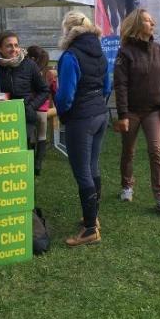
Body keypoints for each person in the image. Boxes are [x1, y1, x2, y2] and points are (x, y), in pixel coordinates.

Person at [55, 12, 110, 247]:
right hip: (100, 114)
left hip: (82, 118)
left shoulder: (70, 56)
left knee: (83, 172)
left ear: (68, 31)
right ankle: (92, 218)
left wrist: (63, 112)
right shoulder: (100, 52)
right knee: (93, 166)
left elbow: (66, 95)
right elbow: (107, 85)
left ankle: (89, 230)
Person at [113, 8, 160, 213]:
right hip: (131, 111)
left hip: (154, 112)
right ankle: (127, 186)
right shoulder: (125, 52)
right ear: (138, 25)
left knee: (156, 151)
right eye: (148, 21)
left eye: (152, 20)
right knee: (128, 151)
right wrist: (122, 114)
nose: (153, 24)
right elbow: (120, 85)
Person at [0, 32, 49, 162]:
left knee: (22, 154)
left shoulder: (29, 65)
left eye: (16, 45)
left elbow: (44, 90)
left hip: (25, 116)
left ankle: (29, 173)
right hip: (0, 118)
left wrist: (31, 106)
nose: (14, 49)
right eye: (9, 46)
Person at [26, 46, 58, 176]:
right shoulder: (49, 73)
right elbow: (54, 90)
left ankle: (29, 163)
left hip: (30, 108)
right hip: (43, 111)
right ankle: (38, 165)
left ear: (32, 58)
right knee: (42, 136)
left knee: (31, 137)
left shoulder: (28, 71)